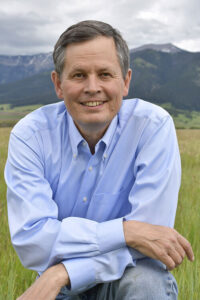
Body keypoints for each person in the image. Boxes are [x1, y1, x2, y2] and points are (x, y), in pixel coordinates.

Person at [4, 20, 194, 300]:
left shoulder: (152, 127)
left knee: (147, 282)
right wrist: (126, 231)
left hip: (122, 274)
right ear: (58, 84)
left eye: (105, 74)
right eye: (79, 75)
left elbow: (151, 241)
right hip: (59, 291)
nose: (92, 87)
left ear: (126, 81)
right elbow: (33, 241)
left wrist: (63, 272)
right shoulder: (30, 136)